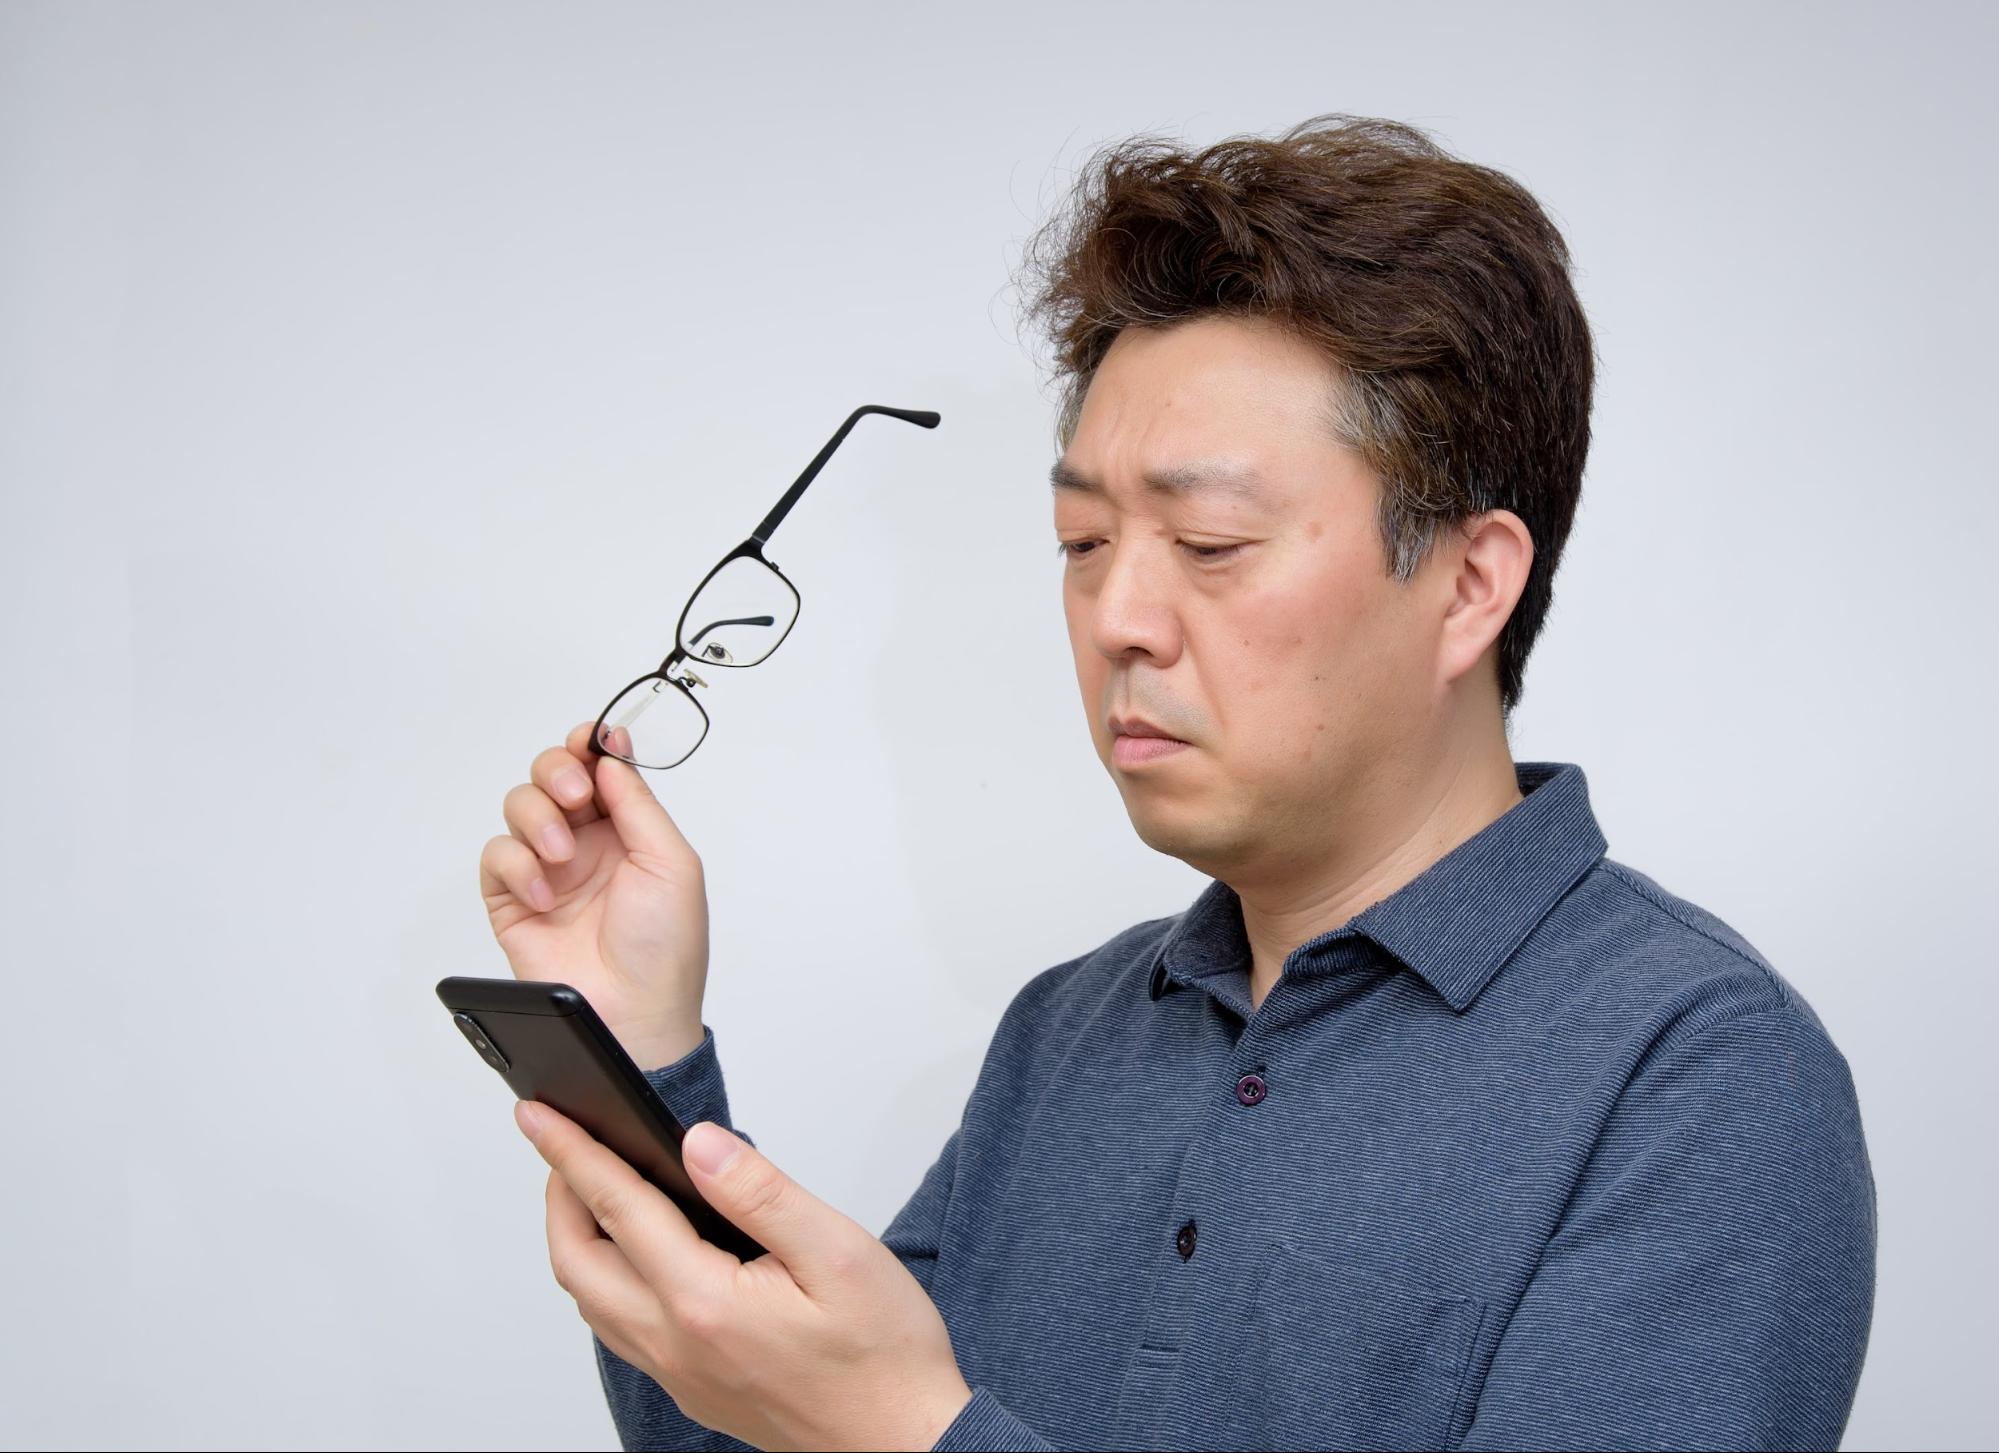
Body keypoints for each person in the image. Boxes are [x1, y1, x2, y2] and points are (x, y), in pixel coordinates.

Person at [477, 113, 1876, 1452]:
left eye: (1207, 541)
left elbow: (882, 1426)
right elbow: (780, 1426)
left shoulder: (1702, 1075)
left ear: (1469, 584)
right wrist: (639, 1050)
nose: (1117, 616)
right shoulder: (1069, 1035)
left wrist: (912, 1430)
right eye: (1082, 541)